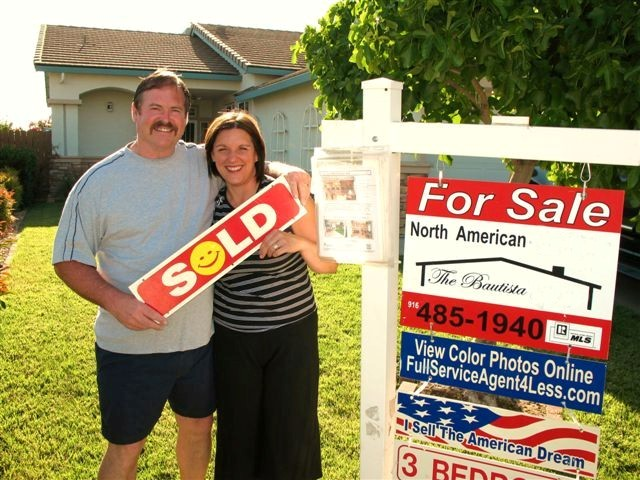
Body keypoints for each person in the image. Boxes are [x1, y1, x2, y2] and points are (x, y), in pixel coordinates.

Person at [52, 69, 310, 480]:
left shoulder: (199, 162)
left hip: (199, 343)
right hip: (130, 345)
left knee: (197, 431)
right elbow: (67, 260)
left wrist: (289, 170)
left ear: (185, 117)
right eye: (155, 107)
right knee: (125, 448)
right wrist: (118, 304)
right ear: (135, 112)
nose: (165, 117)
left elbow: (240, 158)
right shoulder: (97, 183)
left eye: (175, 109)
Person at [204, 111, 337, 480]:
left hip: (290, 334)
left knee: (290, 432)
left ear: (258, 153)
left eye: (243, 148)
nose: (233, 158)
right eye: (223, 149)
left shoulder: (286, 196)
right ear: (212, 156)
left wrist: (297, 242)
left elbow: (328, 265)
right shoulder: (208, 205)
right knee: (238, 434)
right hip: (233, 338)